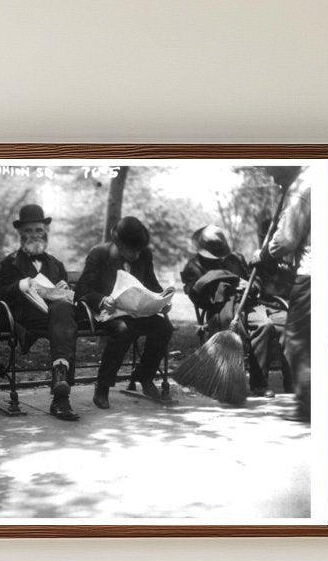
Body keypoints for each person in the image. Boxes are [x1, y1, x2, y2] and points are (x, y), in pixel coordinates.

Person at [75, 216, 174, 409]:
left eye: (139, 250)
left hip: (137, 311)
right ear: (118, 244)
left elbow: (151, 284)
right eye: (131, 251)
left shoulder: (144, 254)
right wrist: (102, 300)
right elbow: (82, 289)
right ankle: (103, 385)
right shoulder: (99, 254)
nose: (136, 255)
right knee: (123, 330)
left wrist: (162, 300)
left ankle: (144, 377)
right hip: (108, 312)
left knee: (164, 327)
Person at [0, 203, 80, 421]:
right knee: (65, 322)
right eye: (29, 231)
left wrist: (65, 292)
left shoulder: (56, 264)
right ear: (20, 234)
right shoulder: (9, 263)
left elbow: (65, 296)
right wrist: (23, 285)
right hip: (25, 318)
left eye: (39, 230)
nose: (34, 235)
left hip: (56, 320)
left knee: (62, 310)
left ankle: (60, 386)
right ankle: (61, 397)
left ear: (46, 232)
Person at [181, 224, 285, 398]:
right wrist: (224, 287)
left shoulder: (235, 259)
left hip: (247, 305)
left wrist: (249, 286)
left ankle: (259, 383)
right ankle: (223, 381)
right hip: (220, 309)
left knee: (265, 325)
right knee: (227, 323)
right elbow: (197, 296)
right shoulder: (195, 266)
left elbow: (255, 280)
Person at [262, 170, 312, 422]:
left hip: (311, 276)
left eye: (274, 173)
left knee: (297, 341)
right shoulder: (313, 179)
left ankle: (308, 406)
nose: (273, 180)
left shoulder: (302, 186)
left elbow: (286, 240)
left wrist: (264, 255)